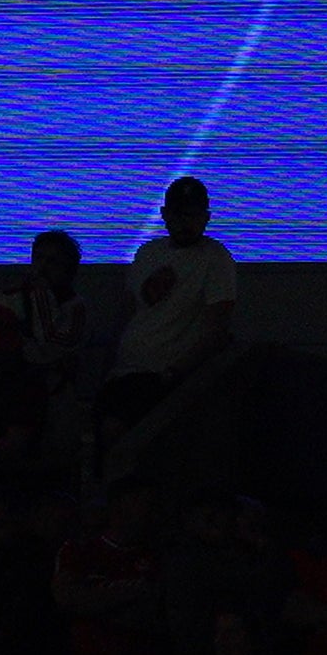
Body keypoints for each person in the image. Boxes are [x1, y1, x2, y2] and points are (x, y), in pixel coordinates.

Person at [102, 178, 241, 457]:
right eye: (179, 214)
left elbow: (217, 326)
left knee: (124, 444)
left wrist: (174, 373)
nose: (185, 222)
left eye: (192, 215)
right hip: (127, 373)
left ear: (205, 218)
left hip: (162, 378)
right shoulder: (147, 253)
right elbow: (128, 311)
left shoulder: (215, 258)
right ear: (166, 215)